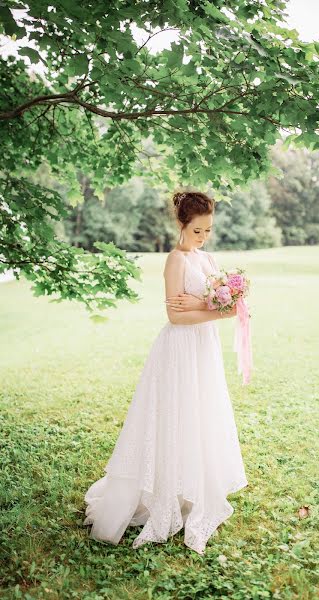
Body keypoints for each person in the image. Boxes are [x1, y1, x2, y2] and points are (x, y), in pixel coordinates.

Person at [83, 190, 248, 555]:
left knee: (199, 416)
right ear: (181, 225)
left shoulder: (208, 258)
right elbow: (175, 316)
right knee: (172, 417)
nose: (203, 237)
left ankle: (192, 488)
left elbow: (211, 301)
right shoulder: (175, 261)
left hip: (203, 349)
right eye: (197, 231)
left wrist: (211, 303)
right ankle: (161, 494)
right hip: (178, 349)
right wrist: (220, 312)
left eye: (207, 230)